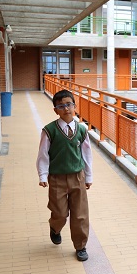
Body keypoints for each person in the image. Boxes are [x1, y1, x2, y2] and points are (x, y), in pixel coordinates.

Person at [36, 89, 93, 261]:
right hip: (57, 178)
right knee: (59, 212)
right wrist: (42, 175)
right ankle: (55, 228)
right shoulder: (49, 131)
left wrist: (89, 177)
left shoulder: (82, 130)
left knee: (80, 213)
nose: (66, 109)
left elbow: (87, 154)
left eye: (69, 104)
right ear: (56, 110)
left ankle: (81, 245)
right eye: (61, 106)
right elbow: (43, 154)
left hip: (77, 176)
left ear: (75, 106)